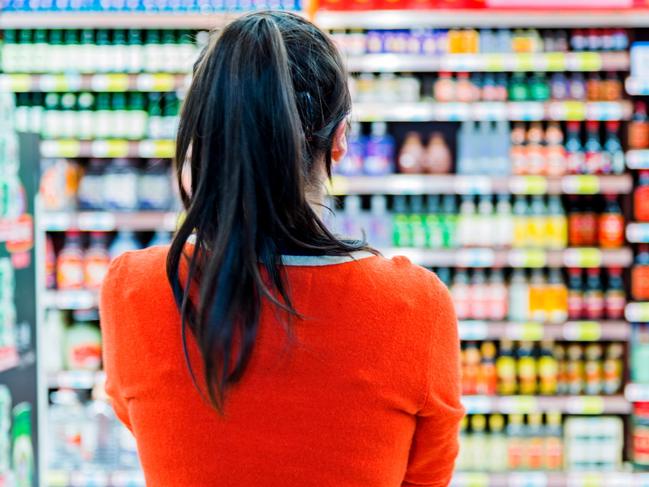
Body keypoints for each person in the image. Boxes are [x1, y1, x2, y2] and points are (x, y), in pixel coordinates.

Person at [100, 11, 463, 487]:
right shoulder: (417, 307)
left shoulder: (134, 290)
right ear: (339, 139)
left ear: (204, 137)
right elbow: (426, 475)